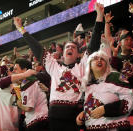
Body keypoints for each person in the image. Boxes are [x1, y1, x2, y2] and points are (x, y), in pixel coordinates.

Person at [14, 2, 105, 131]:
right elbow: (38, 49)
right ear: (62, 53)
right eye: (67, 46)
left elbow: (94, 43)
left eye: (73, 47)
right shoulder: (54, 66)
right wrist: (21, 30)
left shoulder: (82, 65)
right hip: (54, 117)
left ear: (78, 54)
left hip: (75, 117)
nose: (70, 48)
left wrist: (99, 16)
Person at [76, 50, 133, 131]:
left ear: (107, 65)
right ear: (89, 65)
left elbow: (130, 102)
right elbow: (90, 105)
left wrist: (106, 109)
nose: (99, 60)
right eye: (95, 58)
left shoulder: (117, 77)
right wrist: (83, 114)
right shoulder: (86, 84)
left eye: (102, 59)